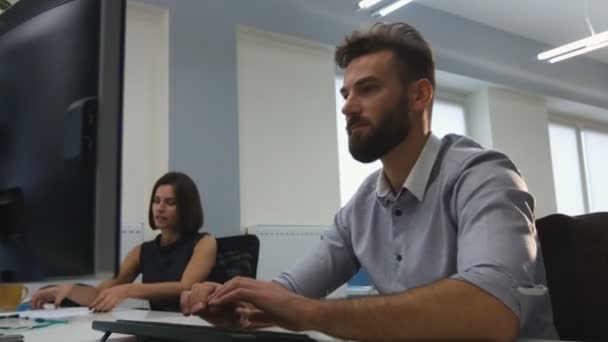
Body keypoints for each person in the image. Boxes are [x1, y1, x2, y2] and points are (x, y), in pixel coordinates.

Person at [181, 22, 558, 340]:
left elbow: (491, 310)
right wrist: (235, 304)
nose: (346, 106)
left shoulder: (484, 176)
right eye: (345, 93)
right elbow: (289, 294)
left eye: (368, 88)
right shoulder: (362, 206)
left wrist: (306, 313)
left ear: (420, 95)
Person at [30, 172, 217, 312]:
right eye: (156, 201)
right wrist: (68, 290)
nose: (159, 208)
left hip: (192, 330)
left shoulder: (204, 242)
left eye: (170, 202)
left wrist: (129, 290)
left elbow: (185, 287)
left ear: (186, 208)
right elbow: (102, 292)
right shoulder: (142, 251)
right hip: (157, 328)